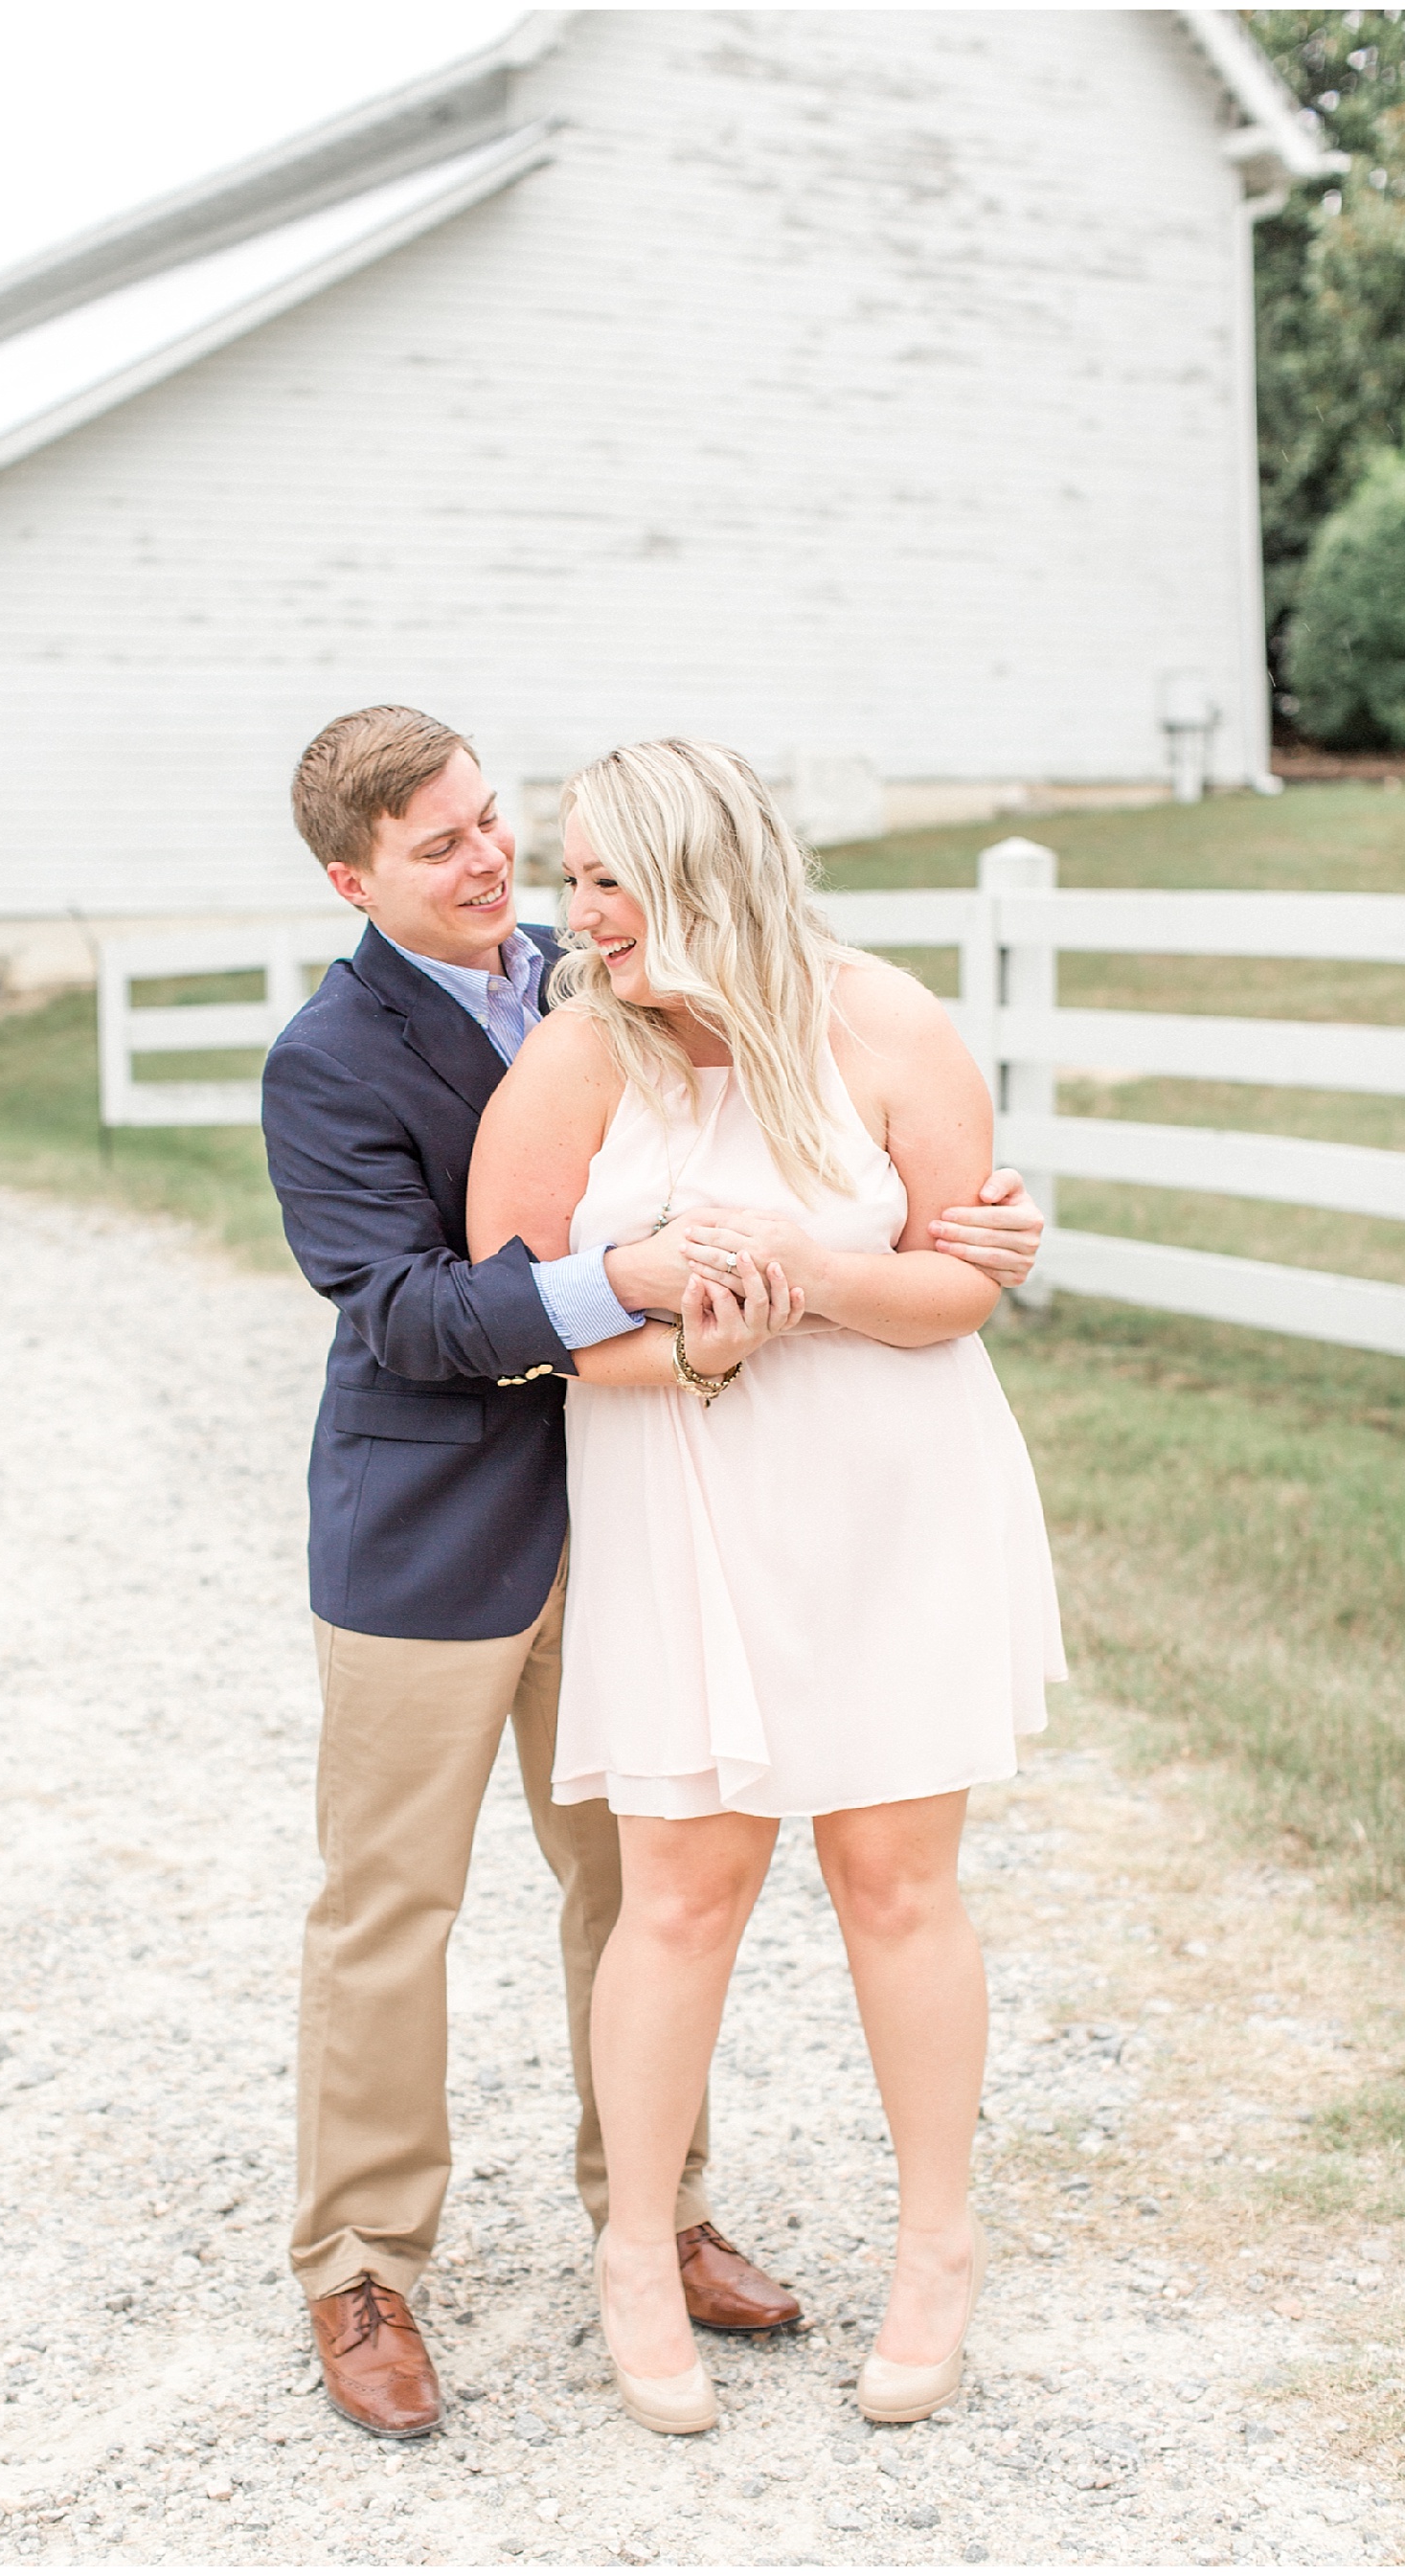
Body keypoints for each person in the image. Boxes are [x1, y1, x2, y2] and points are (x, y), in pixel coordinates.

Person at [263, 705, 1048, 2439]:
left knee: (648, 1892)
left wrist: (916, 1249)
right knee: (396, 1901)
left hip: (740, 1511)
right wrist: (678, 1306)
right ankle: (363, 2262)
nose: (506, 875)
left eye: (507, 835)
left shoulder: (587, 972)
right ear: (353, 881)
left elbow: (932, 1234)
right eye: (449, 847)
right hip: (458, 1522)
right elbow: (415, 1312)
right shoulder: (346, 1056)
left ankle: (666, 2216)